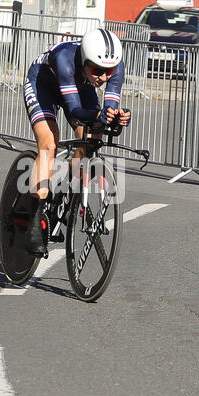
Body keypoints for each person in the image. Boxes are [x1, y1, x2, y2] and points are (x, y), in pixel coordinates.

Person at [23, 28, 131, 255]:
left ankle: (67, 193)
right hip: (44, 84)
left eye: (108, 71)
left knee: (94, 137)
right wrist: (98, 115)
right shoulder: (64, 59)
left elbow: (108, 109)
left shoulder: (115, 66)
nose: (103, 77)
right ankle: (35, 217)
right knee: (49, 144)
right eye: (97, 70)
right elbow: (74, 109)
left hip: (80, 86)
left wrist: (117, 118)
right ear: (84, 61)